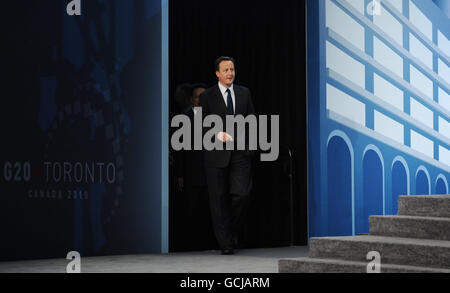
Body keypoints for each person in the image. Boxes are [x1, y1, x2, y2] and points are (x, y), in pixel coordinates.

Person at [199, 56, 255, 255]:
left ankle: (230, 232)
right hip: (216, 154)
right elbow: (200, 123)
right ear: (217, 73)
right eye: (226, 70)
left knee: (242, 194)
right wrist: (216, 133)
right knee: (218, 199)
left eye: (232, 69)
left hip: (240, 152)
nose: (230, 73)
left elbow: (251, 120)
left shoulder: (244, 93)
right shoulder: (207, 96)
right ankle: (226, 243)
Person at [175, 83, 216, 251]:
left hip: (211, 172)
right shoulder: (185, 118)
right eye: (198, 96)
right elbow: (180, 150)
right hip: (192, 173)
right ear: (193, 99)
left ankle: (210, 244)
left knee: (211, 212)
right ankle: (190, 245)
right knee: (192, 211)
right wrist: (180, 174)